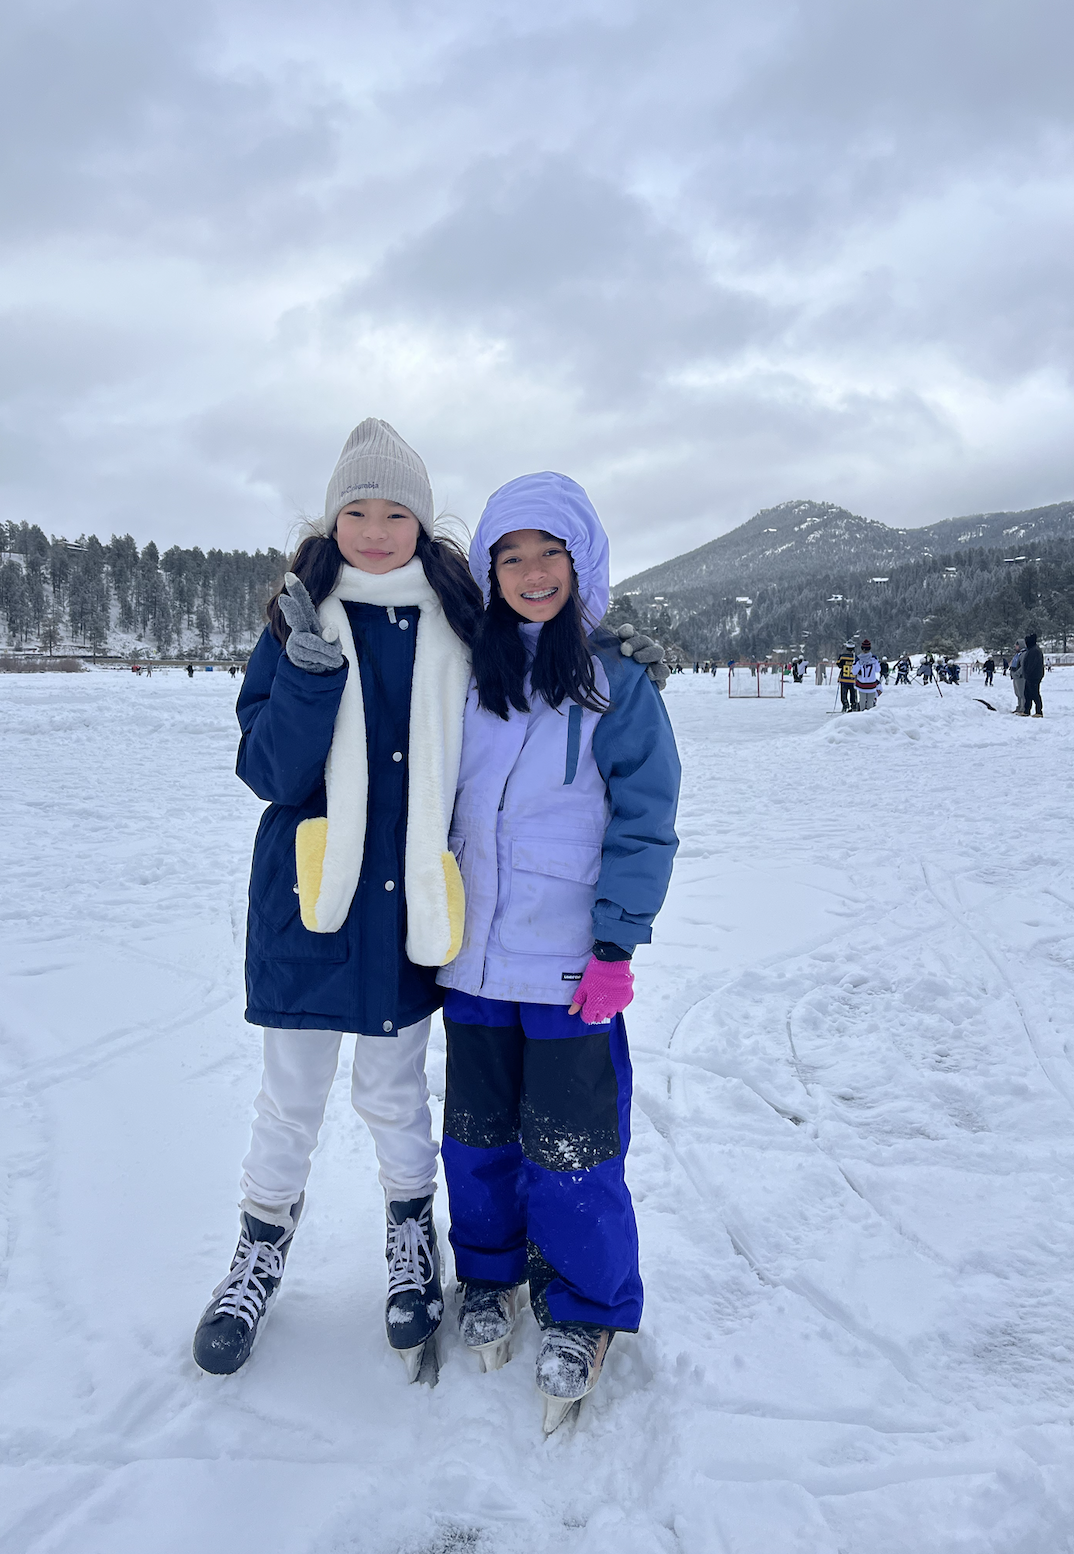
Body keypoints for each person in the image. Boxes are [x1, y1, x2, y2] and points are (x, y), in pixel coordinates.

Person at [191, 419, 482, 1382]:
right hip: (313, 899)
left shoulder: (459, 624)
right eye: (355, 509)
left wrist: (604, 668)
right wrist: (309, 681)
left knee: (395, 1091)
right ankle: (259, 1250)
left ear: (422, 523)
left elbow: (518, 715)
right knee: (291, 1098)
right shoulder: (294, 619)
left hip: (404, 909)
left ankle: (410, 1241)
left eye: (394, 511)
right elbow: (268, 771)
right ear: (331, 517)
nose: (373, 527)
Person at [437, 473, 680, 1434]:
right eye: (512, 555)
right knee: (479, 1137)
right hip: (474, 962)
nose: (532, 573)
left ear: (582, 565)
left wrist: (619, 939)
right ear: (490, 571)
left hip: (574, 966)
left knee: (574, 1151)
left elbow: (646, 820)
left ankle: (584, 1307)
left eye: (550, 554)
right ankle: (489, 1275)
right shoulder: (469, 676)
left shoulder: (617, 683)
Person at [854, 639, 882, 709]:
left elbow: (854, 672)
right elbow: (878, 670)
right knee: (870, 705)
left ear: (862, 648)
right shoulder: (874, 658)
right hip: (872, 685)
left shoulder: (858, 659)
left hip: (861, 685)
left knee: (862, 704)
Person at [1022, 633, 1045, 717]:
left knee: (1034, 693)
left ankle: (1039, 711)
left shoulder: (1034, 651)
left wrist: (1027, 673)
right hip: (1030, 676)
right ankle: (1026, 710)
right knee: (1027, 693)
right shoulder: (1031, 650)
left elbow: (1031, 665)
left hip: (1033, 676)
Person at [836, 643, 857, 711]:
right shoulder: (855, 657)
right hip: (853, 679)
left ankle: (845, 705)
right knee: (853, 694)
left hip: (844, 678)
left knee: (843, 694)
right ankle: (853, 705)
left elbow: (839, 664)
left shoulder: (842, 657)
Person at [1009, 641, 1026, 713]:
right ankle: (1019, 706)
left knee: (1022, 693)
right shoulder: (1017, 654)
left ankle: (1023, 708)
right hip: (1015, 676)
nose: (1015, 647)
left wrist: (1017, 673)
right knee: (1017, 693)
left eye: (1017, 645)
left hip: (1020, 677)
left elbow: (1023, 666)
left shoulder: (1023, 654)